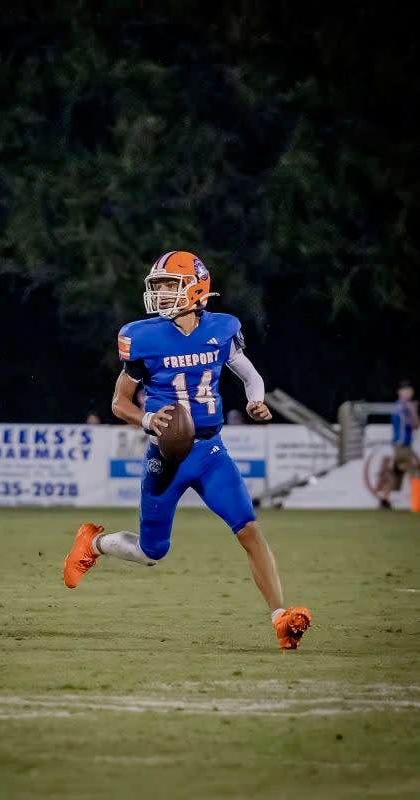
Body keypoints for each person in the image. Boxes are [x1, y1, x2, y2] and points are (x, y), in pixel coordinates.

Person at [62, 250, 311, 650]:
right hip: (168, 455)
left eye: (168, 286)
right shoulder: (142, 337)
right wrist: (148, 421)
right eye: (157, 287)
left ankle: (281, 619)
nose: (160, 294)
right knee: (150, 551)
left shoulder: (222, 328)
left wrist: (254, 400)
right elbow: (118, 403)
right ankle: (91, 544)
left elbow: (250, 375)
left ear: (196, 289)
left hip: (211, 451)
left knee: (249, 530)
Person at [377, 379, 419, 509]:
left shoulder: (401, 406)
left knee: (395, 475)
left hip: (400, 446)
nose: (409, 393)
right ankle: (416, 504)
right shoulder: (402, 406)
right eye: (406, 391)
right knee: (415, 470)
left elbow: (413, 425)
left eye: (410, 391)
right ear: (400, 392)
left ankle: (384, 498)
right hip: (402, 446)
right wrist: (413, 410)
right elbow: (412, 424)